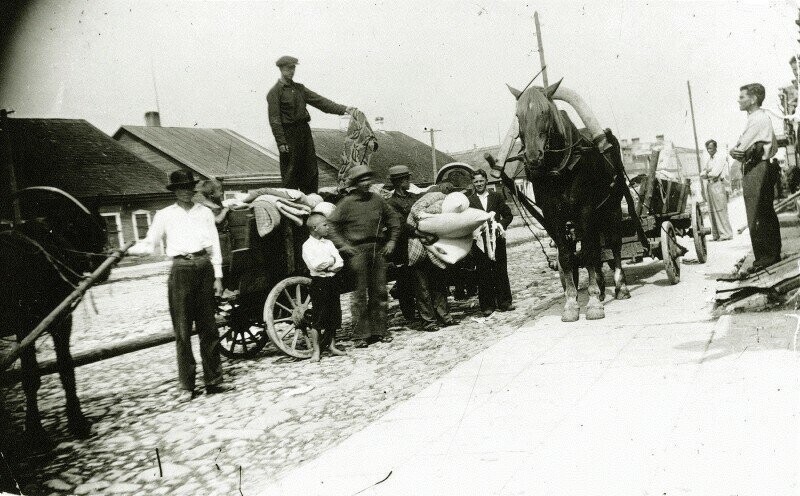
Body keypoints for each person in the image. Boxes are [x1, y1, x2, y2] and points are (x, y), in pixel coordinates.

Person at [128, 170, 230, 400]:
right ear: (174, 191)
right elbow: (150, 243)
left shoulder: (204, 212)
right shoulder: (164, 215)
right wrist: (125, 250)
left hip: (203, 266)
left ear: (193, 190)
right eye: (180, 188)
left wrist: (218, 276)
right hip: (180, 269)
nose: (185, 192)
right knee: (182, 331)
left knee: (209, 329)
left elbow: (214, 244)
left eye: (188, 188)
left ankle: (214, 381)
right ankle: (187, 385)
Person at [327, 165, 400, 348]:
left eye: (368, 180)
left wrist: (391, 242)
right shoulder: (346, 203)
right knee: (359, 294)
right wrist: (344, 245)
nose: (366, 183)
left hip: (378, 249)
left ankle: (380, 331)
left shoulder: (378, 200)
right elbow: (332, 226)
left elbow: (394, 221)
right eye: (362, 181)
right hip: (357, 252)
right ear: (355, 184)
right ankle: (360, 335)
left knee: (380, 292)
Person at [267, 56, 356, 194]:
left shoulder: (300, 89)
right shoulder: (274, 92)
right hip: (288, 135)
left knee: (310, 170)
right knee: (291, 172)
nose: (292, 71)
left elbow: (321, 102)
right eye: (288, 68)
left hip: (304, 132)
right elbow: (274, 119)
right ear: (281, 69)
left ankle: (311, 201)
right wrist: (281, 141)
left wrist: (344, 109)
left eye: (293, 68)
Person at [730, 83, 781, 275]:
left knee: (757, 214)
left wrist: (733, 150)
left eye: (742, 97)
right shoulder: (758, 117)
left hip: (757, 168)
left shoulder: (757, 119)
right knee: (764, 212)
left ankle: (766, 257)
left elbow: (740, 149)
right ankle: (770, 254)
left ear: (753, 99)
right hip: (760, 167)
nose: (739, 100)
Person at [468, 169, 514, 316]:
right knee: (483, 272)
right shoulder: (469, 201)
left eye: (481, 181)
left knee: (500, 270)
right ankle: (487, 305)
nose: (479, 184)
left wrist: (500, 225)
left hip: (497, 240)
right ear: (473, 183)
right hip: (480, 242)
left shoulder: (496, 197)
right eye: (476, 181)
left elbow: (508, 215)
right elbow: (467, 221)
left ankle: (504, 302)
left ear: (486, 181)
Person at [302, 213, 347, 362]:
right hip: (319, 284)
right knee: (318, 317)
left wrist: (330, 264)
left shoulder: (329, 244)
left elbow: (340, 262)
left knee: (334, 314)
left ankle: (332, 346)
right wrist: (330, 261)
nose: (328, 227)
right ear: (315, 228)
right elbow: (315, 265)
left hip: (332, 282)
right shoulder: (307, 246)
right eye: (325, 225)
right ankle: (316, 350)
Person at [385, 165, 420, 322]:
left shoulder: (413, 197)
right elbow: (400, 224)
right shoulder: (390, 203)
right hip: (402, 246)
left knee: (420, 278)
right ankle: (410, 315)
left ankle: (422, 309)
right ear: (399, 182)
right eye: (407, 179)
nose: (409, 182)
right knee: (405, 281)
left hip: (418, 243)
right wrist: (419, 231)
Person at [699, 139, 733, 241]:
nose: (709, 150)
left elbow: (714, 173)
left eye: (710, 148)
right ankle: (717, 234)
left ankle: (726, 234)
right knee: (712, 211)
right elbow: (702, 174)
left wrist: (707, 173)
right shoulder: (710, 160)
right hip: (710, 185)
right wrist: (706, 172)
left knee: (720, 210)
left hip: (718, 184)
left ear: (715, 147)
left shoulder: (720, 157)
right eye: (707, 149)